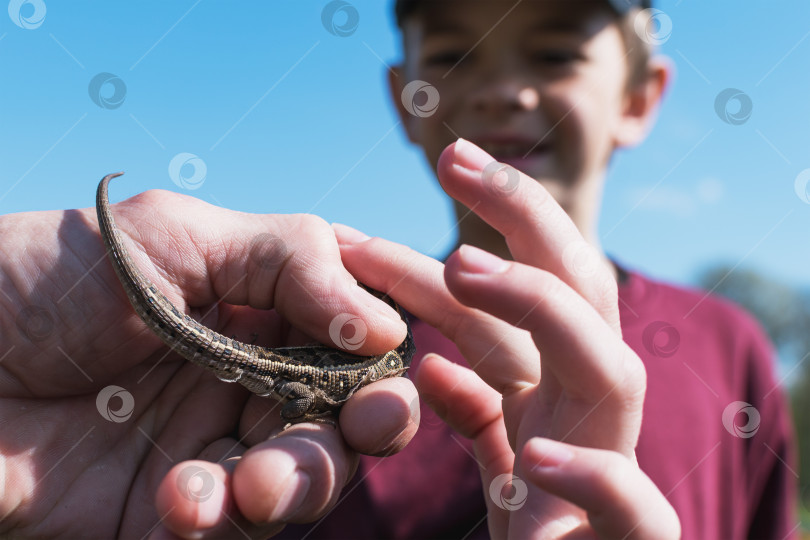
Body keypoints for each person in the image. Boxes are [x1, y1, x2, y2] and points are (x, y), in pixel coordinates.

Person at [0, 3, 794, 540]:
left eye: (554, 51)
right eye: (454, 55)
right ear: (404, 97)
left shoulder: (730, 344)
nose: (502, 89)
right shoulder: (343, 314)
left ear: (639, 97)